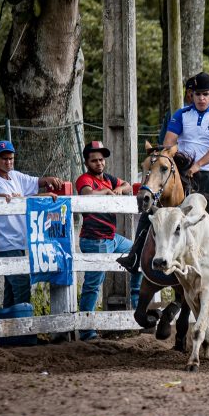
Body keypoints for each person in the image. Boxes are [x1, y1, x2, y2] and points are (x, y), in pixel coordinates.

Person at [76, 141, 141, 341]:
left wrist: (120, 189)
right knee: (93, 285)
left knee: (139, 255)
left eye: (102, 160)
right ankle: (87, 331)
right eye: (94, 160)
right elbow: (87, 194)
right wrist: (104, 192)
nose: (99, 163)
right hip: (94, 239)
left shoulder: (108, 178)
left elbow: (128, 185)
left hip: (111, 238)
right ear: (87, 162)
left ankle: (138, 304)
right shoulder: (84, 179)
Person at [0, 140, 63, 308]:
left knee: (11, 287)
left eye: (11, 158)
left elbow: (35, 181)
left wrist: (49, 180)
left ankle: (8, 329)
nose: (8, 162)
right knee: (21, 283)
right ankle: (23, 325)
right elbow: (18, 200)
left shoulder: (15, 175)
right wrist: (44, 195)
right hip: (5, 242)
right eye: (4, 159)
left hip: (16, 240)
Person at [161, 71, 209, 213]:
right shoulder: (181, 114)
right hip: (182, 171)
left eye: (205, 94)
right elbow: (168, 143)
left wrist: (198, 165)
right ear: (191, 95)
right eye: (197, 94)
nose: (201, 98)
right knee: (155, 202)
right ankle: (142, 235)